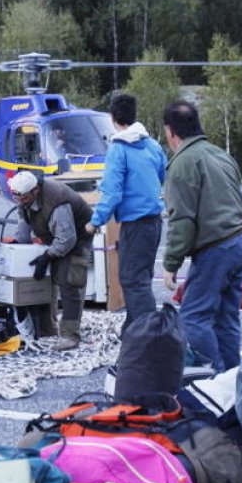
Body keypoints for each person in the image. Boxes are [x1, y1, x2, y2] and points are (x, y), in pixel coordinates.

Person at [161, 101, 242, 373]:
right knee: (226, 316)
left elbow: (182, 220)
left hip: (217, 247)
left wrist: (171, 264)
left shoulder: (182, 164)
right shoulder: (220, 154)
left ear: (170, 131)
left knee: (193, 317)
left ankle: (212, 379)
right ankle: (233, 379)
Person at [84, 94, 167, 329]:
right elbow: (162, 176)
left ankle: (149, 336)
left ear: (112, 117)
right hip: (154, 222)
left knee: (132, 280)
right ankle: (133, 327)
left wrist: (94, 222)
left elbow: (111, 193)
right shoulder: (152, 145)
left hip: (135, 223)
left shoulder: (118, 149)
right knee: (142, 277)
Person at [10, 170, 93, 351]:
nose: (20, 202)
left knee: (69, 281)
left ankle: (70, 335)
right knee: (44, 279)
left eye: (24, 198)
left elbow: (67, 239)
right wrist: (17, 249)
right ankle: (48, 329)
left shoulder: (57, 202)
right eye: (18, 198)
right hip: (54, 237)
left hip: (77, 239)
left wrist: (48, 256)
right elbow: (23, 223)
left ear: (35, 191)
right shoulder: (23, 198)